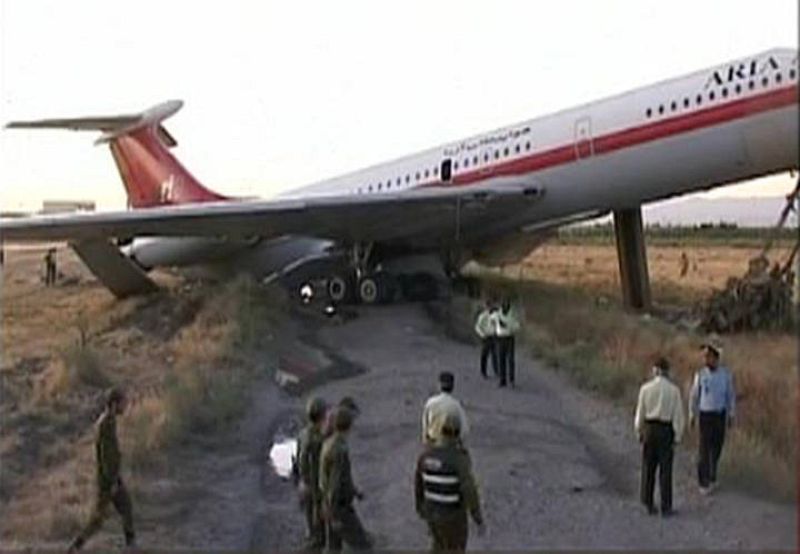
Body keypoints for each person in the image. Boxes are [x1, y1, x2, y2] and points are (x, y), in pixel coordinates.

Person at [68, 388, 135, 552]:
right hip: (107, 480)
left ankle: (131, 545)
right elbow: (107, 456)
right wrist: (112, 481)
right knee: (98, 519)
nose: (125, 406)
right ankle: (76, 546)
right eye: (122, 403)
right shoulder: (106, 424)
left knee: (126, 507)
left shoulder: (109, 421)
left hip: (112, 477)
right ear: (114, 404)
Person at [415, 413, 485, 553]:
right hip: (453, 515)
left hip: (432, 513)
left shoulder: (425, 456)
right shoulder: (458, 458)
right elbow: (468, 488)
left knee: (438, 544)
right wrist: (477, 516)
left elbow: (418, 485)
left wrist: (421, 509)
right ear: (458, 434)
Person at [634, 357, 685, 516]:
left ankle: (647, 501)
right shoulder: (674, 390)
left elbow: (640, 413)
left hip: (650, 428)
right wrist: (677, 436)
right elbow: (678, 416)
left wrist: (639, 431)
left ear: (655, 370)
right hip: (665, 430)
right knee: (665, 469)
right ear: (667, 371)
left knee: (648, 467)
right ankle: (666, 505)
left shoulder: (645, 389)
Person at [319, 407, 372, 551]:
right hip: (339, 507)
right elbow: (335, 483)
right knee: (362, 545)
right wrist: (334, 513)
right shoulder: (340, 450)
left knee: (333, 548)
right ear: (349, 426)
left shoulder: (328, 443)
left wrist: (354, 491)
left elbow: (329, 478)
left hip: (328, 503)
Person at [689, 337, 736, 495]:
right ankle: (703, 482)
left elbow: (730, 396)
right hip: (705, 414)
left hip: (719, 415)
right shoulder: (701, 375)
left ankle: (712, 477)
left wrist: (731, 414)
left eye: (708, 356)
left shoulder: (725, 375)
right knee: (704, 448)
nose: (705, 359)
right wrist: (692, 414)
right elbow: (694, 396)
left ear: (716, 358)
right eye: (704, 356)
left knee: (717, 447)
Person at [297, 397, 328, 549]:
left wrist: (301, 480)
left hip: (306, 483)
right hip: (315, 484)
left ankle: (312, 537)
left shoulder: (303, 434)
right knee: (318, 517)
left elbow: (298, 459)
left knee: (310, 515)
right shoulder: (318, 440)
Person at [422, 371, 469, 445]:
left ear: (439, 386)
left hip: (434, 442)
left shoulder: (430, 403)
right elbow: (464, 431)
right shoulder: (457, 405)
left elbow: (425, 426)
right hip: (451, 444)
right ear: (452, 387)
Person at [496, 298, 521, 388]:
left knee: (510, 360)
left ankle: (511, 380)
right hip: (500, 337)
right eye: (503, 304)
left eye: (507, 304)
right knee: (501, 359)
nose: (505, 306)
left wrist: (508, 326)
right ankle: (502, 380)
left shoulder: (513, 314)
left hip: (510, 337)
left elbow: (518, 326)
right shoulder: (498, 314)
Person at [474, 300, 499, 379]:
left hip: (494, 336)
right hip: (487, 336)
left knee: (495, 355)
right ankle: (483, 371)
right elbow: (477, 327)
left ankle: (497, 371)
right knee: (485, 354)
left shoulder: (496, 315)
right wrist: (482, 334)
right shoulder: (483, 316)